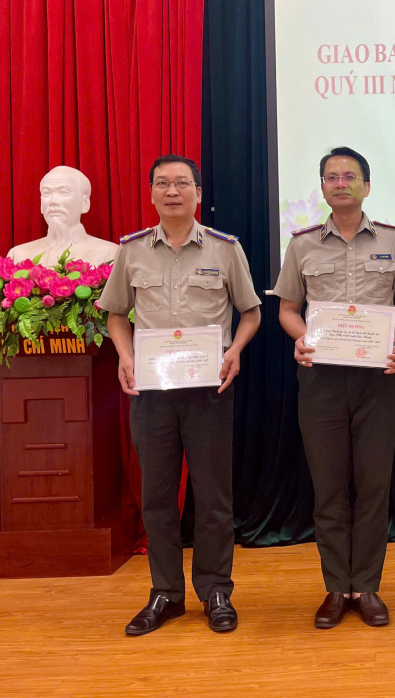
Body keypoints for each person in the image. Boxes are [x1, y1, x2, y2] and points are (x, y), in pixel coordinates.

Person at [97, 154, 262, 635]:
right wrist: (125, 355)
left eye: (182, 183)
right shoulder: (131, 250)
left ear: (199, 194)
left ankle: (215, 590)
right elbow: (115, 314)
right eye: (163, 183)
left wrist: (235, 350)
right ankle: (165, 593)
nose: (173, 191)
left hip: (209, 389)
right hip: (152, 391)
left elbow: (251, 312)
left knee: (213, 497)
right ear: (151, 193)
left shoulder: (225, 249)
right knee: (157, 496)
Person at [274, 146, 395, 628]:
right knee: (330, 487)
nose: (341, 183)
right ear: (322, 187)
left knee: (374, 484)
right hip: (321, 380)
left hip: (378, 379)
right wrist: (302, 340)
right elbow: (287, 310)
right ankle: (337, 587)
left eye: (350, 176)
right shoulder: (302, 245)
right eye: (332, 177)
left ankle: (368, 586)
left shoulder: (394, 242)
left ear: (367, 185)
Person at [8, 165, 118, 266]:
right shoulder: (18, 256)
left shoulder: (110, 254)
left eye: (64, 193)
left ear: (84, 203)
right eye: (46, 193)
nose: (53, 201)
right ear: (41, 205)